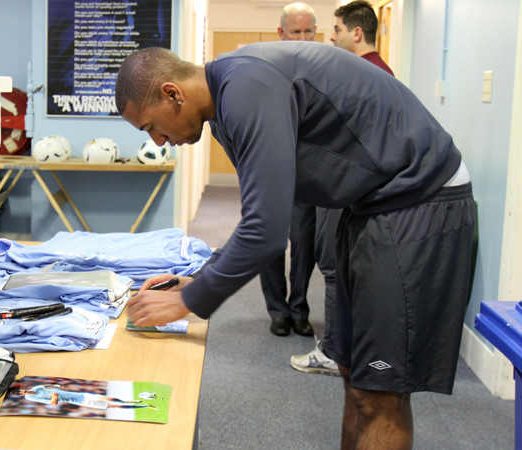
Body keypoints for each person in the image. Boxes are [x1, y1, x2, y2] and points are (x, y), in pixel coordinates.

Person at [117, 43, 474, 448]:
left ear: (172, 93)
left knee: (380, 391)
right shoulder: (224, 109)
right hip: (368, 203)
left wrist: (191, 299)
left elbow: (266, 232)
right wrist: (198, 279)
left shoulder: (245, 89)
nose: (158, 141)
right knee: (353, 374)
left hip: (418, 197)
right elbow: (261, 213)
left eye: (150, 126)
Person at [290, 0, 395, 377]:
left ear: (357, 32)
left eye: (336, 30)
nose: (330, 38)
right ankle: (342, 346)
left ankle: (334, 351)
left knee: (333, 265)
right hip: (353, 185)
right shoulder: (377, 72)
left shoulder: (366, 75)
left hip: (346, 185)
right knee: (339, 266)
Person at [259, 2, 320, 337]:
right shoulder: (266, 67)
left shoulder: (324, 68)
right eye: (296, 31)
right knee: (270, 240)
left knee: (304, 240)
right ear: (281, 33)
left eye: (308, 31)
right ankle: (278, 311)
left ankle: (299, 308)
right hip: (270, 168)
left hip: (307, 170)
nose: (303, 37)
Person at [16, 384, 157, 410]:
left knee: (106, 398)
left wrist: (56, 386)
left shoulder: (35, 388)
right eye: (22, 393)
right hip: (80, 401)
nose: (25, 392)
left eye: (23, 390)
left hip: (81, 394)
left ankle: (128, 400)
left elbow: (45, 385)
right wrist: (55, 396)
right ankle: (146, 405)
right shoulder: (31, 398)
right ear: (22, 395)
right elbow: (53, 403)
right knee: (114, 406)